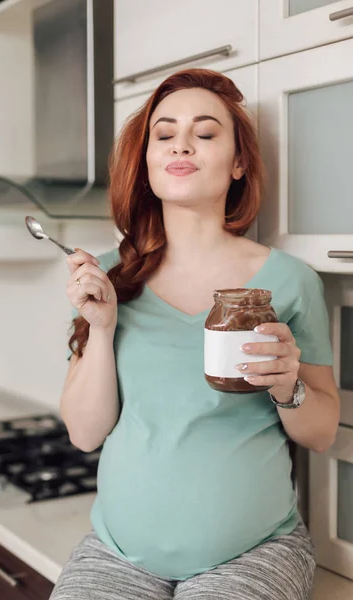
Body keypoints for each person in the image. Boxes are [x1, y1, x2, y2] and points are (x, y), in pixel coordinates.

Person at [50, 68, 340, 600]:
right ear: (146, 164)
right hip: (118, 555)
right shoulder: (109, 279)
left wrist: (287, 384)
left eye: (205, 133)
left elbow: (321, 433)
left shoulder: (289, 282)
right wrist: (103, 326)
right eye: (164, 134)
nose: (181, 143)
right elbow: (86, 434)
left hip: (254, 553)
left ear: (238, 163)